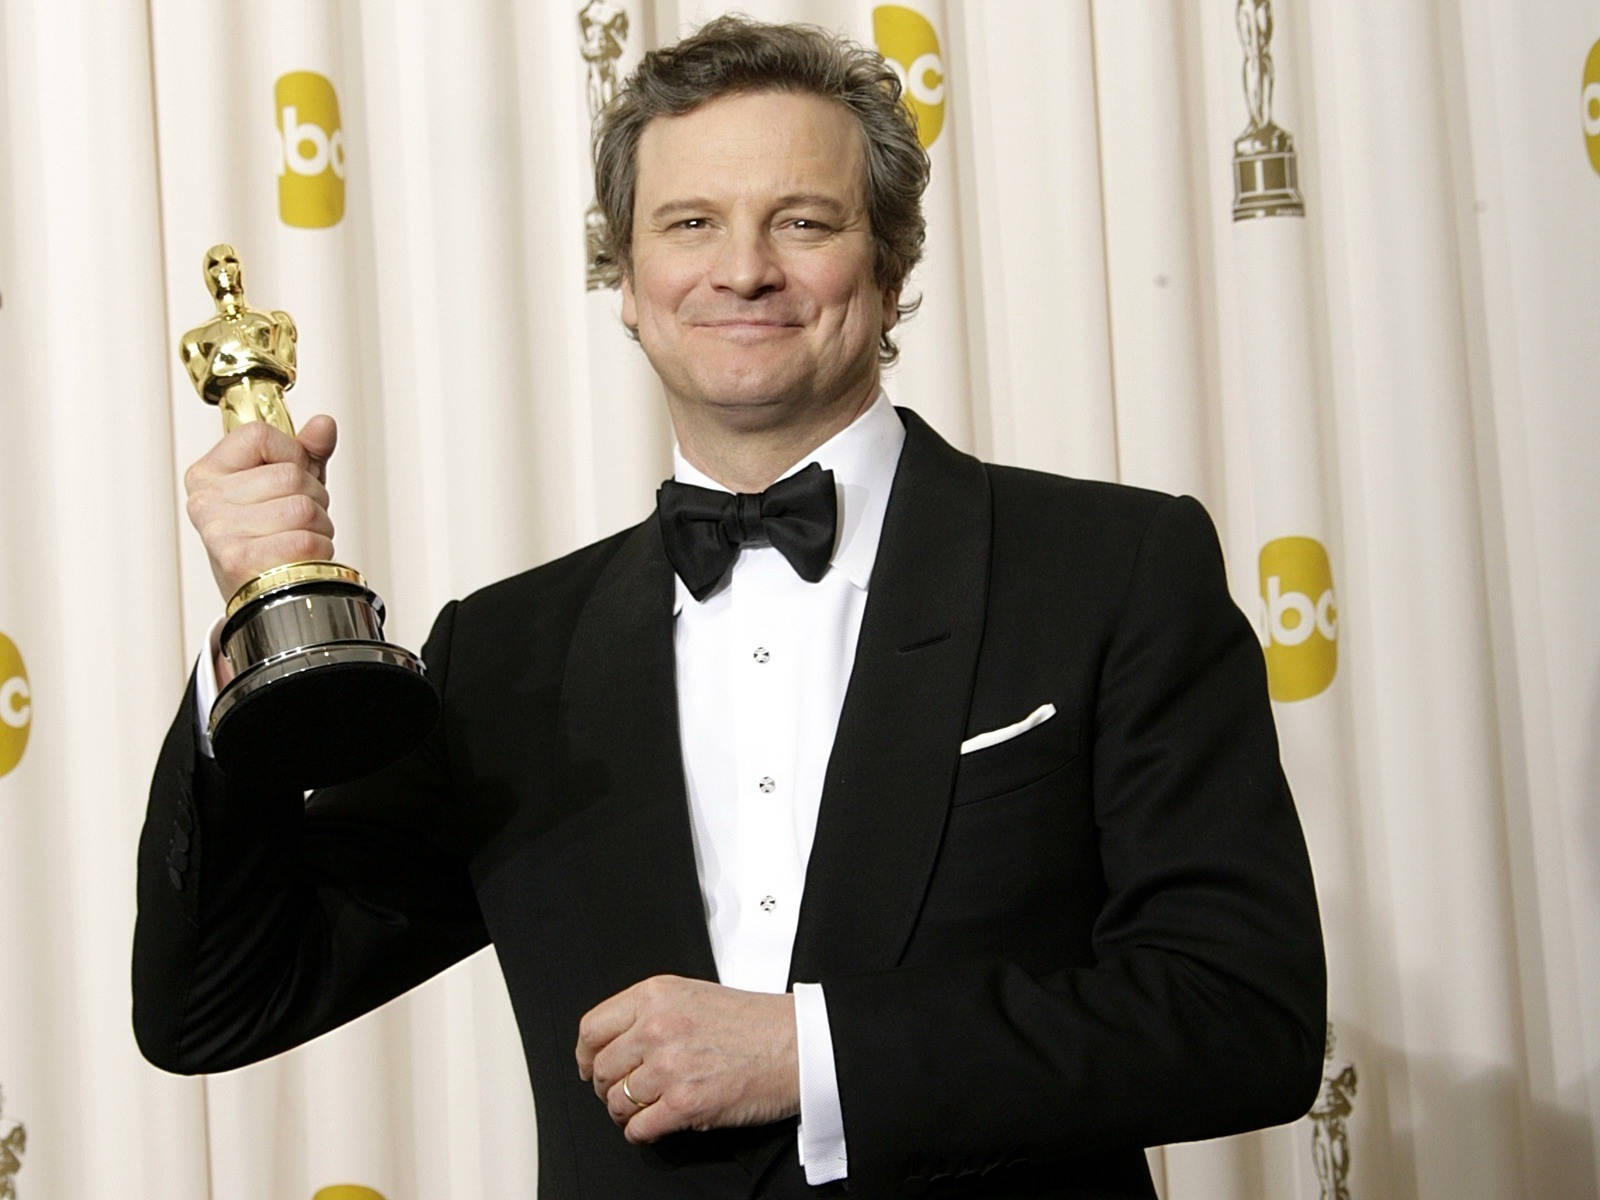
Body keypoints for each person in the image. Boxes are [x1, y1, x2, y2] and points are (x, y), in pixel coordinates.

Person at [134, 16, 1325, 1198]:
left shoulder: (1109, 568)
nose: (742, 268)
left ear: (892, 264)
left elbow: (1243, 1016)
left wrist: (811, 1055)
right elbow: (216, 1002)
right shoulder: (507, 655)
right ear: (628, 281)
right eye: (689, 223)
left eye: (801, 222)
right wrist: (257, 625)